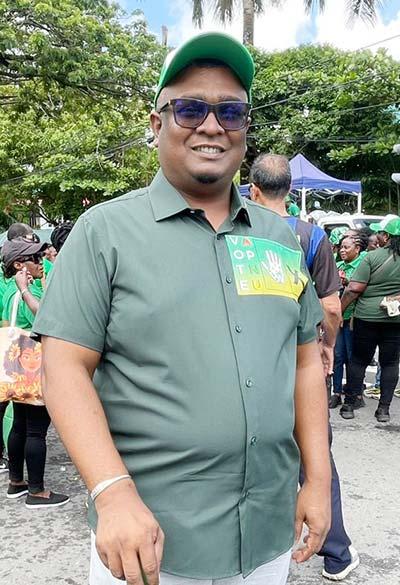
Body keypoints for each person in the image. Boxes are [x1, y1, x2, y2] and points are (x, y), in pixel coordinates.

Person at [33, 33, 331, 585]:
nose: (212, 126)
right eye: (191, 109)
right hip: (150, 541)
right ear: (157, 124)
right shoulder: (105, 232)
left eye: (231, 112)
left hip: (266, 534)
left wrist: (318, 479)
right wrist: (111, 492)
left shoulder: (279, 238)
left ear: (245, 127)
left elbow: (305, 360)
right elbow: (63, 367)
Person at [249, 153, 359, 582]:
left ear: (253, 190)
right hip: (299, 360)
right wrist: (326, 347)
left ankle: (256, 549)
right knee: (314, 457)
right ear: (290, 191)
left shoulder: (238, 233)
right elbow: (331, 307)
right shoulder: (311, 236)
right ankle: (336, 553)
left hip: (248, 362)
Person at [1, 237, 69, 507]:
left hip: (17, 367)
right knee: (36, 431)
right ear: (19, 265)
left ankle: (16, 482)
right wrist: (30, 291)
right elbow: (47, 318)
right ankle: (37, 491)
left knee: (19, 425)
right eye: (34, 259)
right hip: (34, 364)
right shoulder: (25, 293)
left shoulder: (9, 290)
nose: (41, 262)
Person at [340, 215, 400, 422]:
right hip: (395, 318)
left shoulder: (372, 257)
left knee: (358, 360)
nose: (377, 236)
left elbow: (354, 289)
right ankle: (383, 410)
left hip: (367, 317)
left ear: (386, 236)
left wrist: (339, 310)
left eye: (380, 233)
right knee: (390, 363)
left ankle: (349, 405)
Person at [330, 233, 368, 409]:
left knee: (353, 358)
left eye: (347, 247)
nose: (342, 251)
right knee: (338, 356)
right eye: (341, 247)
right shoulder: (337, 265)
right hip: (337, 319)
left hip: (354, 319)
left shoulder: (363, 265)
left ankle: (355, 394)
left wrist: (347, 282)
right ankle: (337, 393)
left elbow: (360, 289)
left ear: (357, 249)